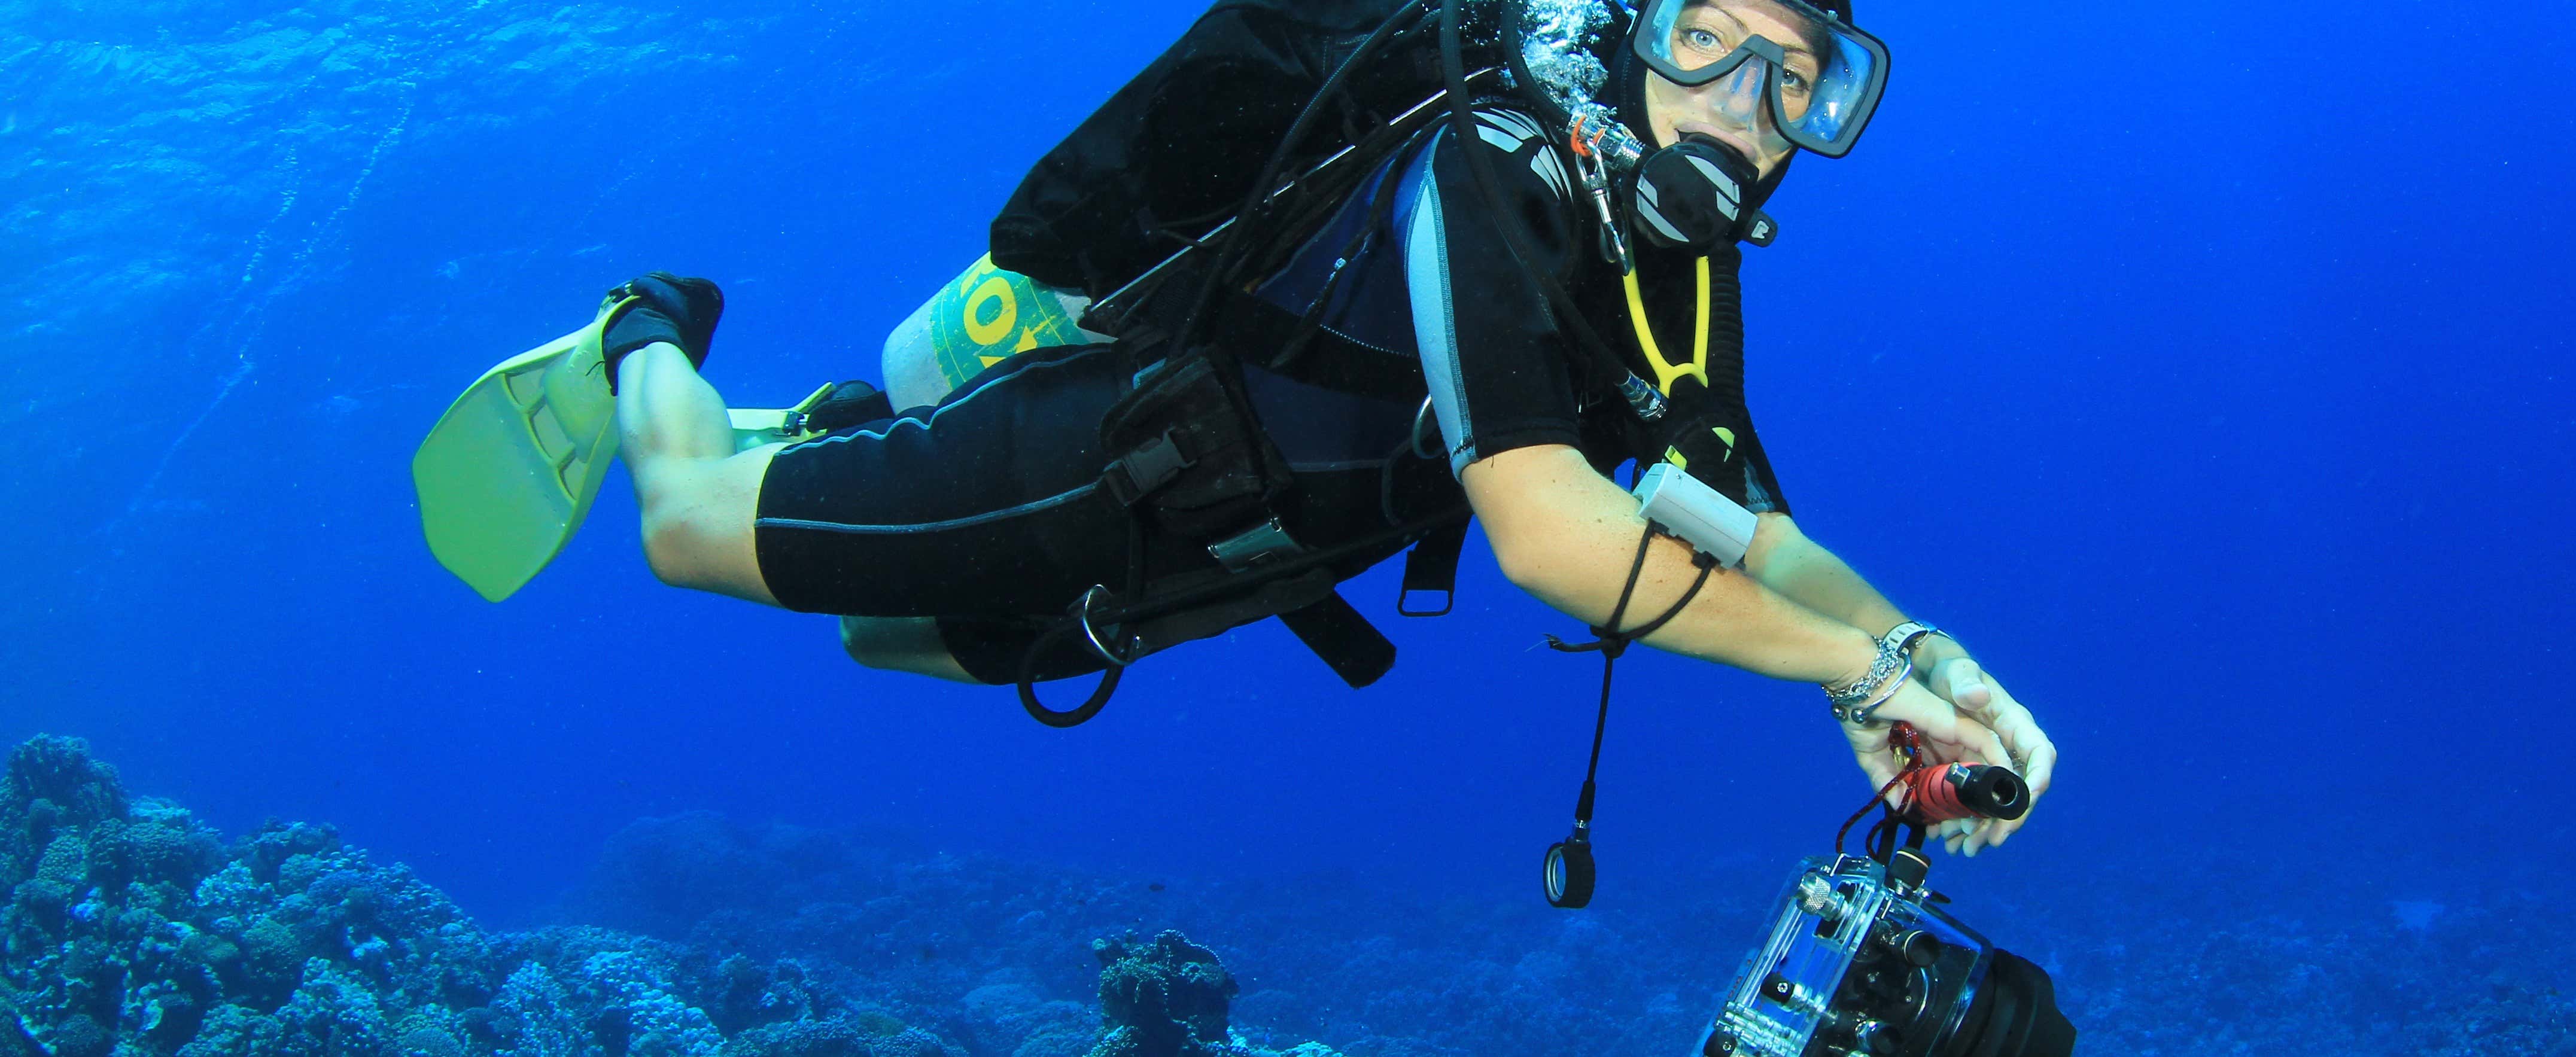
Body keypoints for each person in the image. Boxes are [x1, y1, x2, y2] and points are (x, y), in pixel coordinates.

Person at [437, 0, 2052, 858]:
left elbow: (1742, 523)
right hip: (1109, 456)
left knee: (893, 640)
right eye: (1715, 39)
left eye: (1805, 79)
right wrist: (1852, 674)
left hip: (1223, 546)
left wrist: (1923, 659)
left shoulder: (1669, 279)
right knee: (684, 533)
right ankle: (645, 331)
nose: (1747, 105)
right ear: (1636, 27)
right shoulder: (1499, 161)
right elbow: (1552, 532)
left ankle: (835, 431)